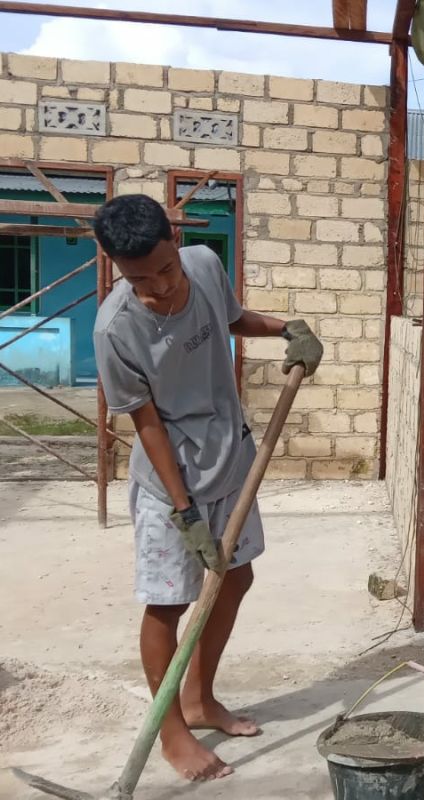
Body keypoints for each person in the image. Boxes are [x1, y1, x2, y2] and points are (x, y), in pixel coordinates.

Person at [91, 194, 323, 782]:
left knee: (236, 577)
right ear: (117, 266)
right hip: (173, 483)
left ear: (174, 241)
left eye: (165, 270)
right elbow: (145, 425)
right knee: (169, 603)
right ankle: (170, 732)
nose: (160, 287)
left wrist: (287, 329)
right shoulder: (116, 329)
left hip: (230, 458)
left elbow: (230, 317)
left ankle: (199, 698)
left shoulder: (202, 264)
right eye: (140, 278)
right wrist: (182, 511)